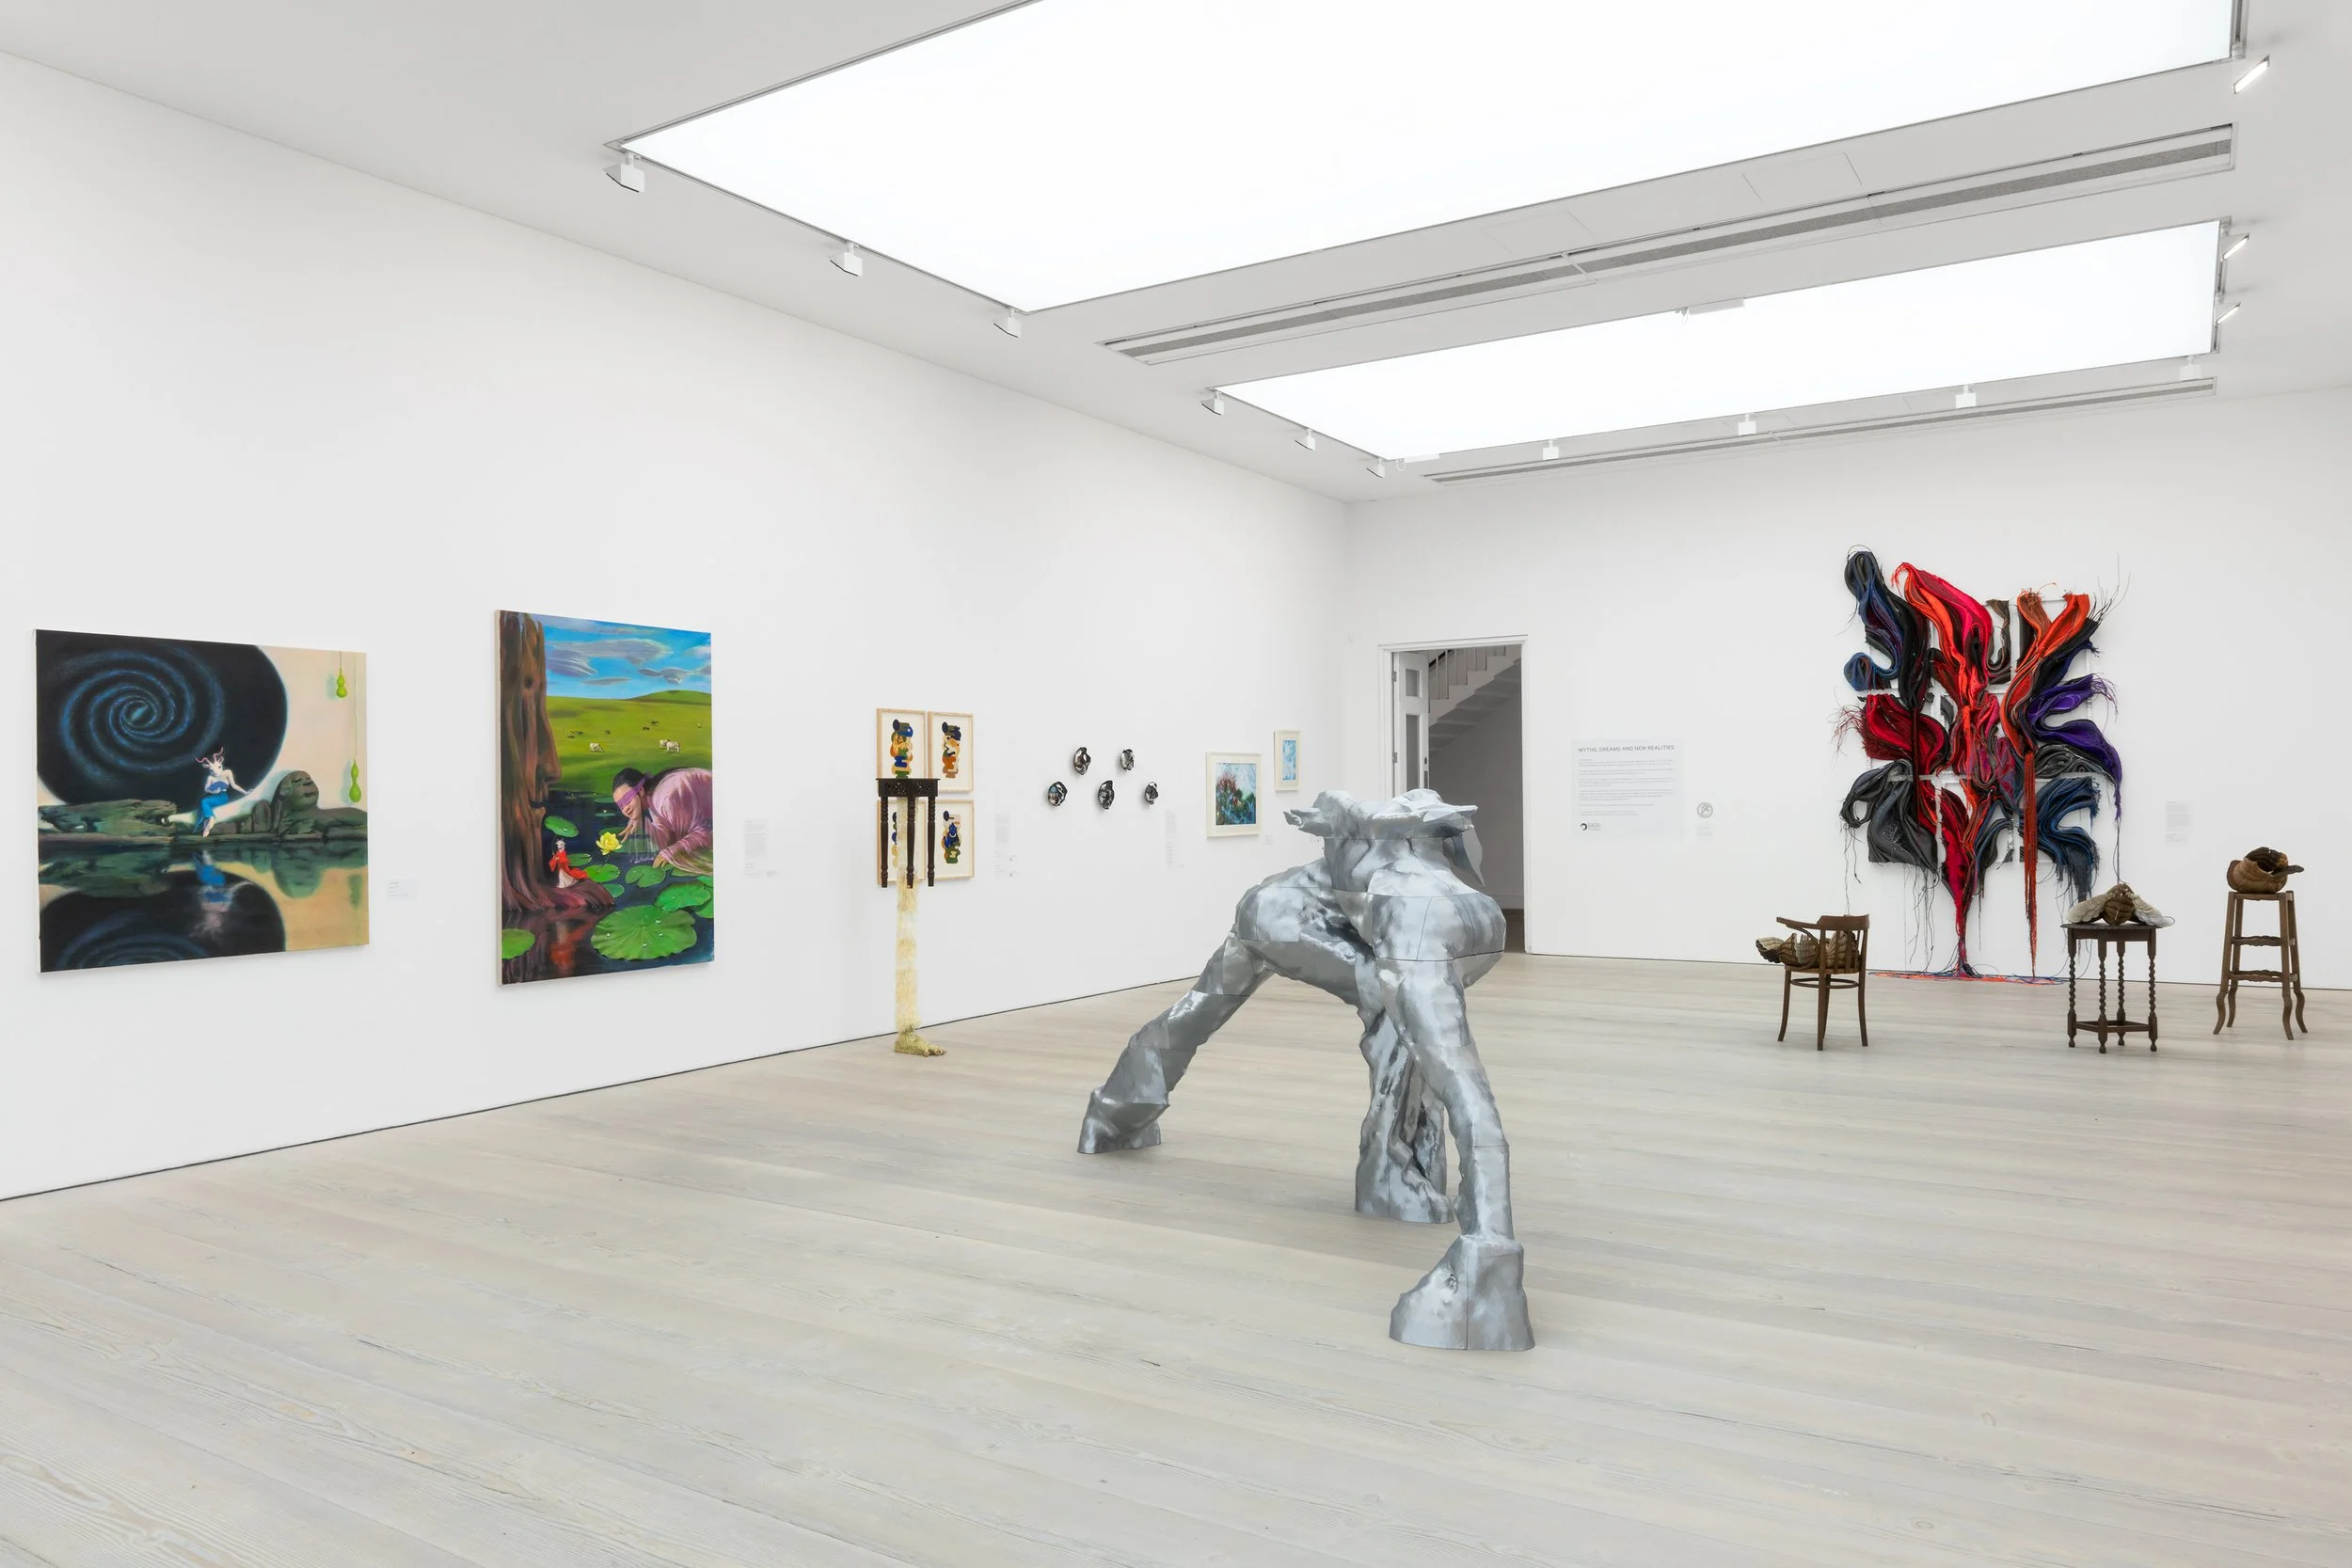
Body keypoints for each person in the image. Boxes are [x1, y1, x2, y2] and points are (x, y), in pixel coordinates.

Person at [612, 766, 714, 875]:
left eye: (627, 799)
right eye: (621, 805)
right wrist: (640, 821)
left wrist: (670, 852)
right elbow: (665, 835)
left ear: (640, 790)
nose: (625, 809)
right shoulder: (653, 799)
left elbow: (703, 833)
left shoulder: (666, 799)